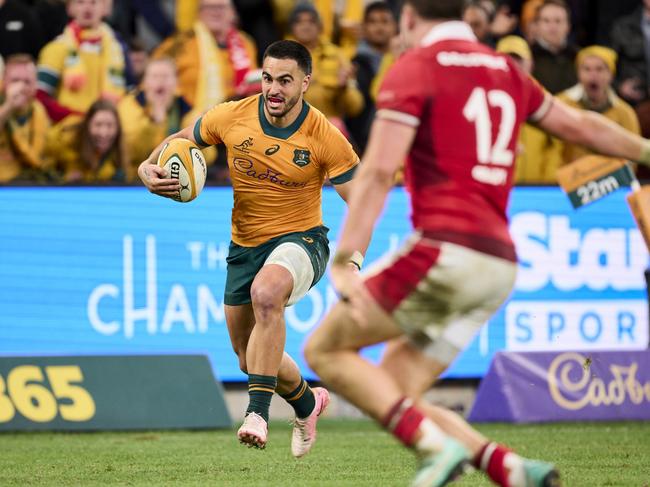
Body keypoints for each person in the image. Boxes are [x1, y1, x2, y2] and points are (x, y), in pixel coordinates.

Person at [303, 1, 650, 486]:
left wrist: (345, 259)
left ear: (407, 19)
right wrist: (646, 150)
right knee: (397, 390)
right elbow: (580, 126)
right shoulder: (506, 69)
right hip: (500, 264)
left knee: (324, 351)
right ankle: (509, 468)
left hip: (446, 250)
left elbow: (379, 171)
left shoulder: (415, 67)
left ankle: (432, 452)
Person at [137, 40, 360, 456]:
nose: (273, 89)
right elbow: (178, 140)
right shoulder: (232, 115)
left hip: (303, 240)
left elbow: (363, 201)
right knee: (248, 357)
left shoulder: (324, 135)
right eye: (268, 78)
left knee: (267, 293)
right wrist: (145, 169)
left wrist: (356, 260)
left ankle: (256, 413)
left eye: (285, 81)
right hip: (245, 246)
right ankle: (309, 403)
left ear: (305, 83)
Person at [153, 0, 258, 115]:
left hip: (236, 117)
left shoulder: (245, 42)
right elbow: (153, 79)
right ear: (198, 13)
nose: (215, 12)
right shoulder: (180, 43)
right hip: (188, 120)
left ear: (233, 12)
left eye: (221, 7)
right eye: (208, 7)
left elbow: (252, 84)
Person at [36, 0, 126, 123]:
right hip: (68, 131)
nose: (87, 8)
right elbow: (40, 97)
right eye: (80, 2)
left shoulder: (117, 49)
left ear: (104, 8)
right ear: (69, 8)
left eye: (93, 2)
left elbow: (128, 93)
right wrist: (80, 119)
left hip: (107, 131)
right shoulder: (56, 48)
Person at [289, 3, 364, 137]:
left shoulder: (337, 56)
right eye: (299, 22)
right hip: (291, 127)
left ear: (320, 26)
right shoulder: (281, 57)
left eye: (311, 21)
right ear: (292, 28)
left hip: (328, 127)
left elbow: (356, 107)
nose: (306, 26)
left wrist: (344, 87)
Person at [558, 46, 640, 165]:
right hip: (567, 180)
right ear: (578, 73)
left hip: (612, 180)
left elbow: (632, 156)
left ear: (611, 75)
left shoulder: (625, 112)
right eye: (587, 69)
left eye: (600, 69)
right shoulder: (562, 104)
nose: (593, 75)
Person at [118, 58, 194, 167]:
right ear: (144, 83)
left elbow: (209, 156)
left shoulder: (187, 108)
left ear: (176, 82)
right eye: (155, 76)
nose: (160, 81)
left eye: (165, 76)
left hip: (177, 174)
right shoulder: (130, 105)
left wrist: (197, 136)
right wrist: (154, 123)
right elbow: (130, 153)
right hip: (136, 177)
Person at [45, 98, 130, 182]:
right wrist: (64, 181)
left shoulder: (119, 156)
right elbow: (45, 170)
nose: (103, 133)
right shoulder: (64, 140)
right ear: (87, 124)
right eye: (98, 124)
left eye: (110, 125)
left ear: (118, 128)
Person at [0, 54, 51, 183]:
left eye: (27, 82)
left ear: (35, 86)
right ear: (4, 81)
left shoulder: (39, 111)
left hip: (27, 184)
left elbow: (41, 155)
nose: (21, 87)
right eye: (15, 81)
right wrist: (8, 107)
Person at [530, 0, 577, 94]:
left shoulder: (579, 57)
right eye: (546, 21)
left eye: (558, 21)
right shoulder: (527, 56)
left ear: (568, 26)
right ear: (537, 25)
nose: (552, 26)